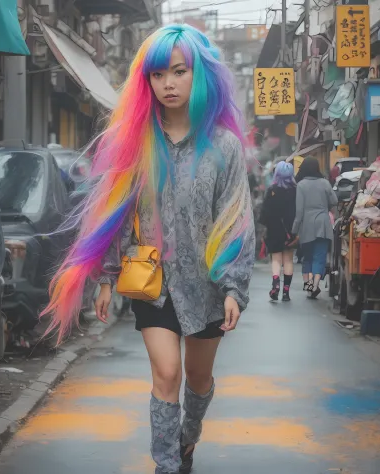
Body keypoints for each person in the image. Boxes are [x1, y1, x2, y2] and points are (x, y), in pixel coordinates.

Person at [41, 24, 255, 474]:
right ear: (147, 81)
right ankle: (166, 465)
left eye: (179, 72)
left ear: (200, 76)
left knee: (197, 381)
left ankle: (187, 441)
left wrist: (234, 288)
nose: (168, 84)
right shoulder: (136, 143)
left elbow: (236, 219)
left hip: (208, 286)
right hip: (152, 283)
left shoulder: (224, 146)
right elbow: (117, 214)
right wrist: (104, 278)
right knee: (166, 375)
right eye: (158, 75)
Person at [292, 156, 337, 299]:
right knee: (320, 257)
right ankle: (316, 285)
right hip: (323, 223)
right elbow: (334, 200)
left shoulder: (301, 185)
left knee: (307, 258)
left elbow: (299, 212)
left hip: (307, 226)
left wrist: (294, 230)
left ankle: (309, 287)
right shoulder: (325, 183)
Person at [259, 161, 296, 301]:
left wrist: (265, 228)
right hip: (290, 230)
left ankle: (276, 285)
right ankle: (286, 292)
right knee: (288, 260)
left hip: (274, 229)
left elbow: (265, 212)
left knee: (276, 259)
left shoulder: (272, 190)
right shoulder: (295, 190)